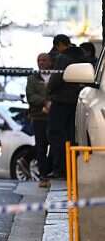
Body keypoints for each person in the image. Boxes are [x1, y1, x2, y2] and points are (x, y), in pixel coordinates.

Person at [47, 34, 85, 179]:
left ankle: (59, 169)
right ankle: (72, 168)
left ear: (60, 45)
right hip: (76, 101)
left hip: (61, 100)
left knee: (56, 135)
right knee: (72, 135)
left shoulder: (63, 58)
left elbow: (56, 79)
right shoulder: (81, 56)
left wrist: (49, 89)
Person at [27, 53, 53, 187]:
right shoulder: (32, 78)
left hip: (54, 117)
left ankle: (51, 171)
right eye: (39, 60)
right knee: (41, 147)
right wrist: (44, 102)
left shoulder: (55, 76)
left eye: (44, 60)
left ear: (50, 62)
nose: (41, 63)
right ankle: (43, 175)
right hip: (38, 117)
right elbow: (30, 96)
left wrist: (52, 103)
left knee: (55, 146)